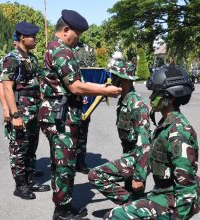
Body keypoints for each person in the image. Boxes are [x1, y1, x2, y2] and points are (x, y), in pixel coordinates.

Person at [38, 9, 122, 219]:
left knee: (61, 163)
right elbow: (75, 87)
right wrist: (105, 90)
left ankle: (63, 206)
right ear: (66, 30)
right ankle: (63, 212)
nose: (79, 39)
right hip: (61, 116)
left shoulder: (54, 48)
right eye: (78, 34)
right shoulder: (61, 51)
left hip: (57, 114)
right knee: (65, 165)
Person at [104, 65, 200, 219]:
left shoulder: (178, 134)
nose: (150, 98)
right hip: (161, 193)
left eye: (156, 93)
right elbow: (151, 154)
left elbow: (186, 190)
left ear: (169, 97)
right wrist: (139, 176)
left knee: (114, 216)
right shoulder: (166, 124)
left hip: (174, 200)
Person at [0, 21, 51, 200]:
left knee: (31, 147)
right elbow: (7, 88)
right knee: (19, 149)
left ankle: (30, 181)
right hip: (21, 108)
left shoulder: (32, 58)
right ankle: (20, 186)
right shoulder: (11, 59)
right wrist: (14, 115)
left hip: (34, 108)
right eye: (33, 37)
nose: (36, 40)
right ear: (22, 37)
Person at [88, 59, 151, 205]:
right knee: (133, 195)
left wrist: (140, 176)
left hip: (138, 157)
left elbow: (145, 144)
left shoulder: (136, 104)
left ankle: (133, 205)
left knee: (96, 175)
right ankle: (134, 206)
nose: (110, 80)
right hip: (129, 153)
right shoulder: (124, 100)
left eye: (114, 77)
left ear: (122, 79)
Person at [73, 42, 96, 174]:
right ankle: (68, 162)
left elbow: (92, 70)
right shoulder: (63, 49)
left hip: (84, 99)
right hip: (70, 99)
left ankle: (80, 163)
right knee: (69, 134)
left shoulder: (87, 48)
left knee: (83, 133)